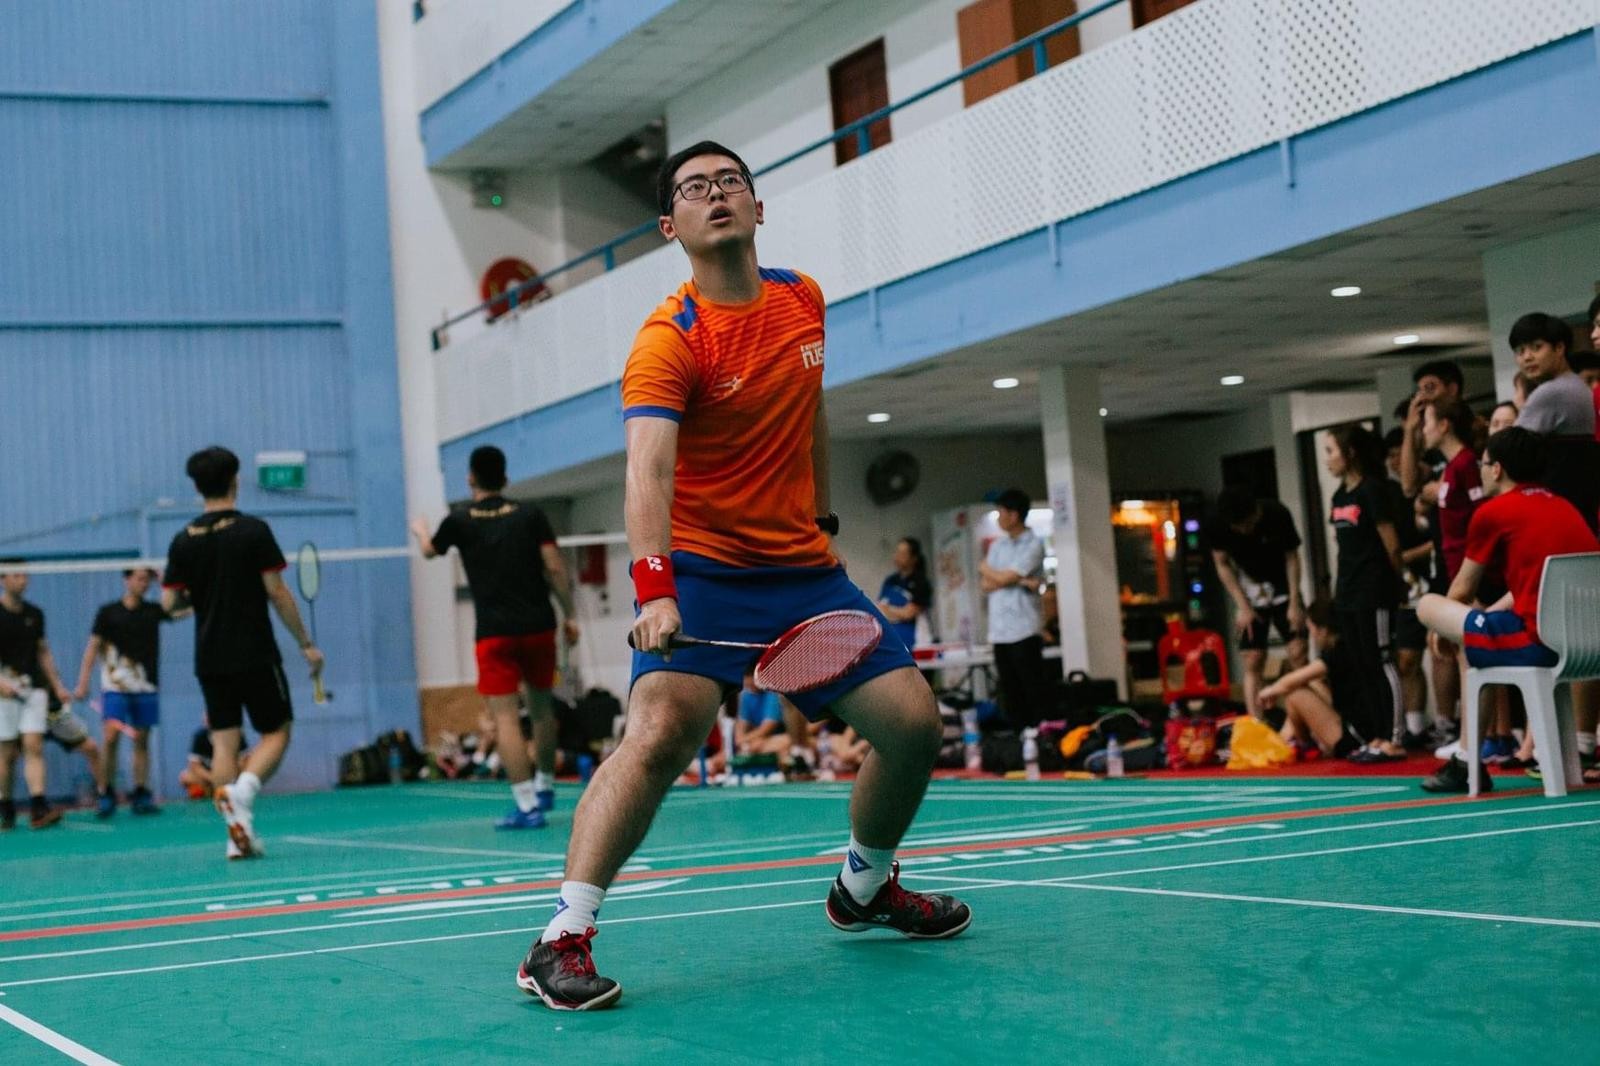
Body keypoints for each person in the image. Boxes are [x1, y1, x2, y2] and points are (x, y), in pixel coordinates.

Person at [515, 140, 968, 1012]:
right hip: (705, 578)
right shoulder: (669, 338)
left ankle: (865, 889)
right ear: (670, 225)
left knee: (913, 725)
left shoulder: (803, 299)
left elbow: (813, 408)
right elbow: (646, 473)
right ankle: (559, 939)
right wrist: (654, 589)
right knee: (655, 741)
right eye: (694, 188)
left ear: (758, 208)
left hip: (801, 576)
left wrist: (826, 514)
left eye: (731, 182)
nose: (716, 194)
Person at [1417, 427, 1600, 792]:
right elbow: (1535, 587)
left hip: (1538, 641)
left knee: (1428, 604)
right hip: (1588, 645)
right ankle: (1467, 760)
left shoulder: (1492, 512)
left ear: (1496, 469)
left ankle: (1468, 763)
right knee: (1472, 637)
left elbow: (1461, 589)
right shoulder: (1563, 506)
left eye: (1484, 464)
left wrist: (1440, 630)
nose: (1481, 472)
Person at [162, 446, 323, 859]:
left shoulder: (183, 540)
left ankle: (237, 835)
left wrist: (202, 598)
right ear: (234, 481)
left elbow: (170, 606)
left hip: (209, 657)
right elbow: (277, 591)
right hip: (253, 651)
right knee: (278, 731)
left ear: (197, 488)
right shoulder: (253, 530)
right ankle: (243, 794)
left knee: (224, 744)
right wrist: (305, 643)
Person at [411, 444, 578, 830]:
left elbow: (430, 552)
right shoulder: (530, 515)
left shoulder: (459, 519)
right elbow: (554, 567)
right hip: (539, 626)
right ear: (504, 478)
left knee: (505, 718)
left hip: (495, 635)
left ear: (471, 478)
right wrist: (569, 615)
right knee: (541, 710)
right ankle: (546, 785)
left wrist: (421, 531)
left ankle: (526, 805)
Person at [1510, 312, 1600, 774]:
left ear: (1560, 348)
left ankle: (1560, 745)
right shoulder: (1577, 392)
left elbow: (1508, 454)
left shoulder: (1552, 393)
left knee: (1563, 640)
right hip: (1578, 531)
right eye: (1520, 350)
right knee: (1582, 640)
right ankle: (1576, 743)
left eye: (1536, 347)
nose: (1527, 356)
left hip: (1556, 539)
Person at [74, 567, 180, 817]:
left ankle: (141, 793)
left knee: (142, 739)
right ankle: (106, 791)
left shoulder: (153, 611)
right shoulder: (108, 613)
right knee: (110, 737)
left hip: (145, 685)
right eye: (140, 579)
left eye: (148, 580)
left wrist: (166, 581)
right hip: (115, 686)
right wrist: (83, 682)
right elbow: (92, 648)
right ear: (127, 580)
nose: (144, 584)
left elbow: (178, 609)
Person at [1323, 426, 1404, 752]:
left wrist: (1397, 586)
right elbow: (1341, 548)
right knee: (1362, 665)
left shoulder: (1373, 491)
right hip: (1348, 593)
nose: (1327, 459)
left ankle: (1395, 736)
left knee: (1382, 661)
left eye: (1331, 451)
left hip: (1375, 591)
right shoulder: (1339, 497)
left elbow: (1392, 547)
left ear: (1350, 453)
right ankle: (1376, 736)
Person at [1206, 486, 1310, 716]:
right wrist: (1242, 606)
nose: (1244, 531)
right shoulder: (1217, 523)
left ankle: (1305, 718)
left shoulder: (1276, 513)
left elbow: (1292, 557)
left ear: (1256, 513)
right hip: (1249, 588)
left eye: (1247, 524)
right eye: (1238, 527)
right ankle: (1256, 724)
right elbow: (1222, 564)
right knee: (1253, 658)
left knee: (1298, 652)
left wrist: (1294, 602)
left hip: (1282, 583)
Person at [0, 562, 70, 829]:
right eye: (16, 575)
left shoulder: (35, 614)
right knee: (6, 753)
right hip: (4, 693)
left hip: (33, 690)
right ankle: (5, 806)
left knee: (33, 745)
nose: (22, 580)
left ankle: (38, 805)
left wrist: (57, 685)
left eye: (25, 575)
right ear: (3, 580)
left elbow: (43, 651)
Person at [1256, 599, 1362, 759]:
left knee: (1295, 693)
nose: (1311, 635)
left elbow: (1290, 682)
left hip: (1354, 738)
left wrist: (1270, 691)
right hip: (1355, 725)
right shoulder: (1346, 646)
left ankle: (1301, 743)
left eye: (1311, 629)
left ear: (1324, 630)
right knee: (1312, 683)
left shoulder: (1338, 652)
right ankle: (1289, 739)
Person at [981, 489, 1049, 730]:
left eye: (1001, 511)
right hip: (1000, 631)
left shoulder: (1033, 544)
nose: (998, 517)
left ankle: (1040, 737)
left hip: (1024, 629)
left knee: (1031, 688)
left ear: (1014, 515)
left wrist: (1005, 577)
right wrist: (1016, 581)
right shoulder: (998, 545)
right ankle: (1017, 741)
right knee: (1009, 691)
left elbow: (1004, 575)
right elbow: (987, 583)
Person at [877, 537, 931, 652]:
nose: (897, 556)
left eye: (902, 553)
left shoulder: (921, 583)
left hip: (915, 643)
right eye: (896, 552)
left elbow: (909, 613)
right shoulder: (890, 581)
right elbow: (880, 610)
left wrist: (889, 610)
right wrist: (897, 612)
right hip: (890, 640)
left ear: (914, 558)